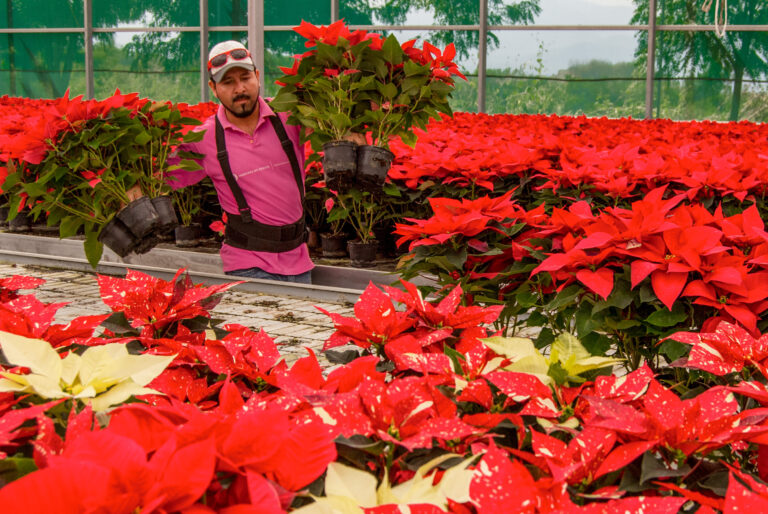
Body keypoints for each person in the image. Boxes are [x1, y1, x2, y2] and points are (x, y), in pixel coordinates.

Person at [169, 40, 313, 283]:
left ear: (257, 76)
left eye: (245, 78)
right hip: (247, 266)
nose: (239, 89)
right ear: (213, 89)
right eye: (228, 82)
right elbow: (158, 179)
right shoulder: (203, 138)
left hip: (300, 262)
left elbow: (337, 128)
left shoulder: (289, 118)